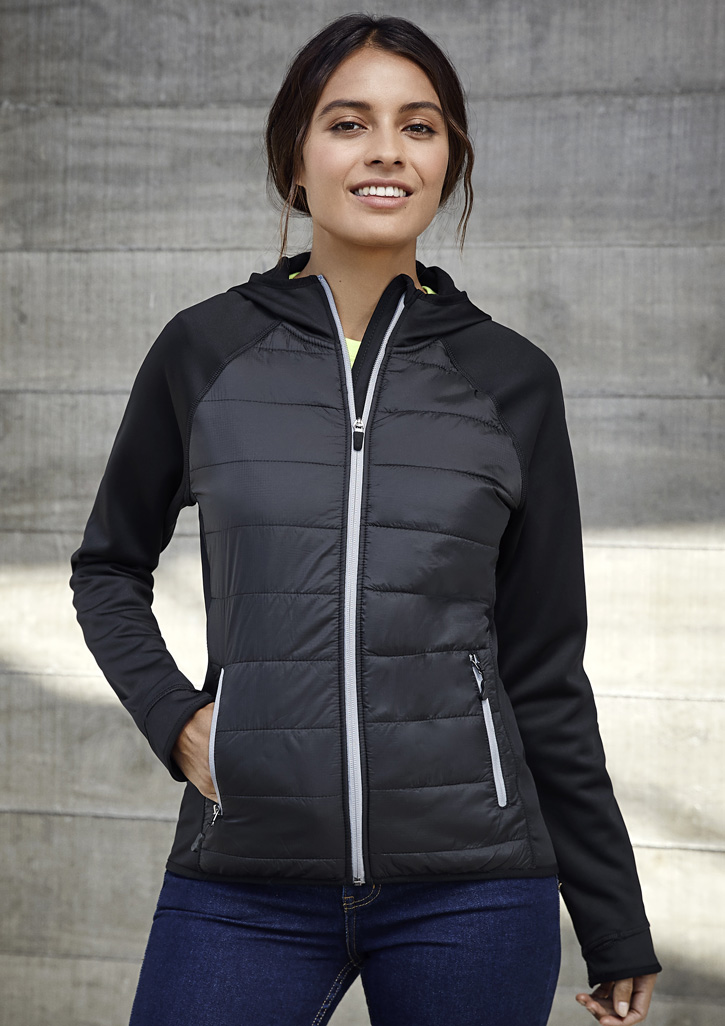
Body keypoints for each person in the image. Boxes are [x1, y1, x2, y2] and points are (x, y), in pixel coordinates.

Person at [69, 13, 662, 1026]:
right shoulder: (204, 351)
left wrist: (611, 916)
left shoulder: (510, 378)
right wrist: (174, 718)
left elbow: (543, 670)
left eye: (417, 127)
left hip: (475, 886)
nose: (386, 150)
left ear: (446, 161)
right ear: (295, 159)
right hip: (243, 876)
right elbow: (107, 568)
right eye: (348, 123)